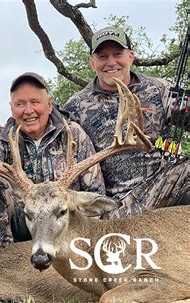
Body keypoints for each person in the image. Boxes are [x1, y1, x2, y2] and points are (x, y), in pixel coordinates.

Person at [63, 26, 189, 219]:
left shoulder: (159, 88)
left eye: (118, 54)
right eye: (102, 56)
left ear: (131, 56)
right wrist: (5, 132)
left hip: (164, 184)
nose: (111, 62)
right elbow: (44, 131)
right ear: (92, 63)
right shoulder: (75, 105)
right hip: (116, 205)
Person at [0, 72, 105, 247]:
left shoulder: (73, 133)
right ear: (12, 109)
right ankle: (2, 257)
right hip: (26, 217)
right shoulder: (2, 138)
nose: (28, 110)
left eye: (35, 102)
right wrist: (20, 185)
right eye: (20, 104)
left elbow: (95, 190)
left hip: (63, 222)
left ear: (49, 105)